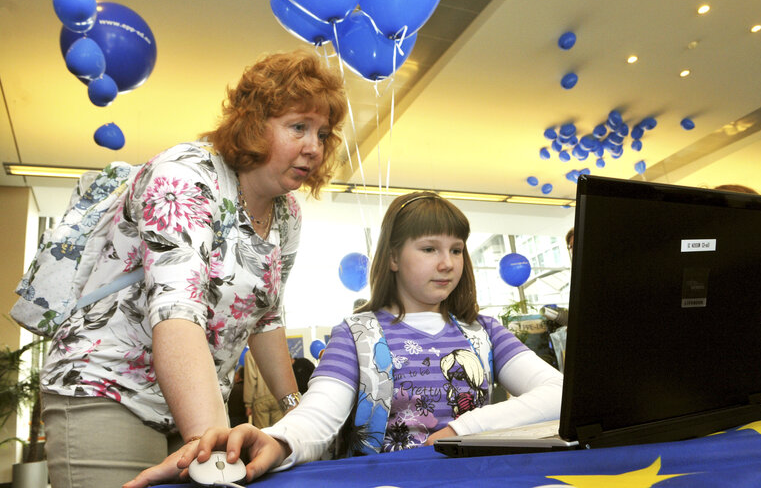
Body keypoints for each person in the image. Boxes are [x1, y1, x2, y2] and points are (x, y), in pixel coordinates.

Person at [40, 50, 347, 487]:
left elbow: (266, 317)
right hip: (109, 386)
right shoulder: (184, 176)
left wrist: (297, 414)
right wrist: (211, 448)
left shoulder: (287, 215)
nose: (314, 147)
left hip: (195, 399)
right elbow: (177, 314)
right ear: (253, 122)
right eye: (298, 127)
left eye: (323, 133)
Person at [126, 191, 563, 487]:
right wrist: (278, 440)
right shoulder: (357, 333)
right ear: (392, 257)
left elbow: (560, 394)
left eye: (455, 249)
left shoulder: (485, 331)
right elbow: (318, 417)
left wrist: (464, 429)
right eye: (429, 249)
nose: (447, 263)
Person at [243, 352, 283, 428]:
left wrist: (248, 404)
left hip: (260, 399)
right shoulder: (277, 348)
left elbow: (250, 379)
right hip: (278, 397)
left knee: (263, 434)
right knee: (279, 431)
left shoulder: (250, 354)